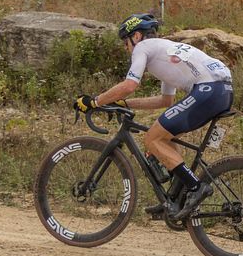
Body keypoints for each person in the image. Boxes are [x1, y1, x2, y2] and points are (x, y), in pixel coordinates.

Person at [73, 13, 233, 221]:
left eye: (126, 42)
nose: (126, 48)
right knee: (163, 136)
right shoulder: (166, 50)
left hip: (209, 89)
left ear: (137, 36)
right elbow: (165, 100)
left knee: (152, 138)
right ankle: (174, 198)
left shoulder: (143, 48)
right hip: (221, 90)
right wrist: (124, 103)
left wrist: (95, 102)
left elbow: (130, 85)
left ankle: (196, 187)